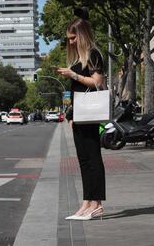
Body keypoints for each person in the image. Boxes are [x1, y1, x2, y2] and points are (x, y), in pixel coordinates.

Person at [57, 15, 106, 221]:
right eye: (68, 38)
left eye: (73, 38)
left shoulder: (93, 54)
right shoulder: (77, 58)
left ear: (82, 35)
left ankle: (97, 204)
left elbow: (96, 82)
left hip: (91, 113)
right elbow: (76, 89)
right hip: (78, 114)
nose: (70, 42)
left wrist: (73, 75)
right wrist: (70, 114)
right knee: (83, 160)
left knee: (93, 158)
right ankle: (86, 202)